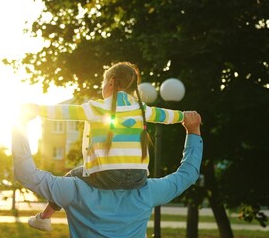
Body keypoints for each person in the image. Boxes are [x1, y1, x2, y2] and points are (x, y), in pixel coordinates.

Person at [23, 62, 185, 231]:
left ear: (111, 83)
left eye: (103, 82)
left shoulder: (97, 107)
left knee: (71, 176)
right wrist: (185, 116)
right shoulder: (142, 110)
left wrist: (36, 109)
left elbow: (64, 112)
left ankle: (44, 218)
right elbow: (166, 115)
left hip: (108, 177)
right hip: (138, 177)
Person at [12, 111, 203, 237]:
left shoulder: (74, 189)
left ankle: (43, 218)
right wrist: (193, 132)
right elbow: (187, 175)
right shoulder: (147, 191)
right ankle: (43, 218)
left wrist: (20, 125)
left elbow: (26, 173)